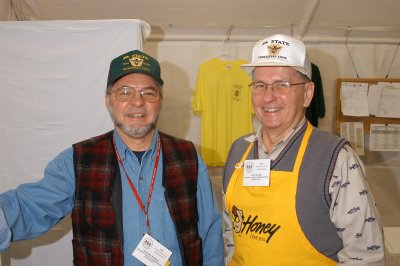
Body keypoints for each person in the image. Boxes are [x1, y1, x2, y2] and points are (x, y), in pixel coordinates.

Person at [0, 50, 224, 266]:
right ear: (108, 100)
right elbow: (29, 207)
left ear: (160, 101)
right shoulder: (77, 161)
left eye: (149, 92)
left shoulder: (188, 156)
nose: (138, 102)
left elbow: (210, 232)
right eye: (124, 92)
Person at [222, 34, 385, 265]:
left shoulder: (336, 158)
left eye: (282, 84)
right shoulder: (239, 150)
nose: (268, 96)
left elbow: (366, 256)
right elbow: (231, 235)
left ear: (308, 94)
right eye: (260, 85)